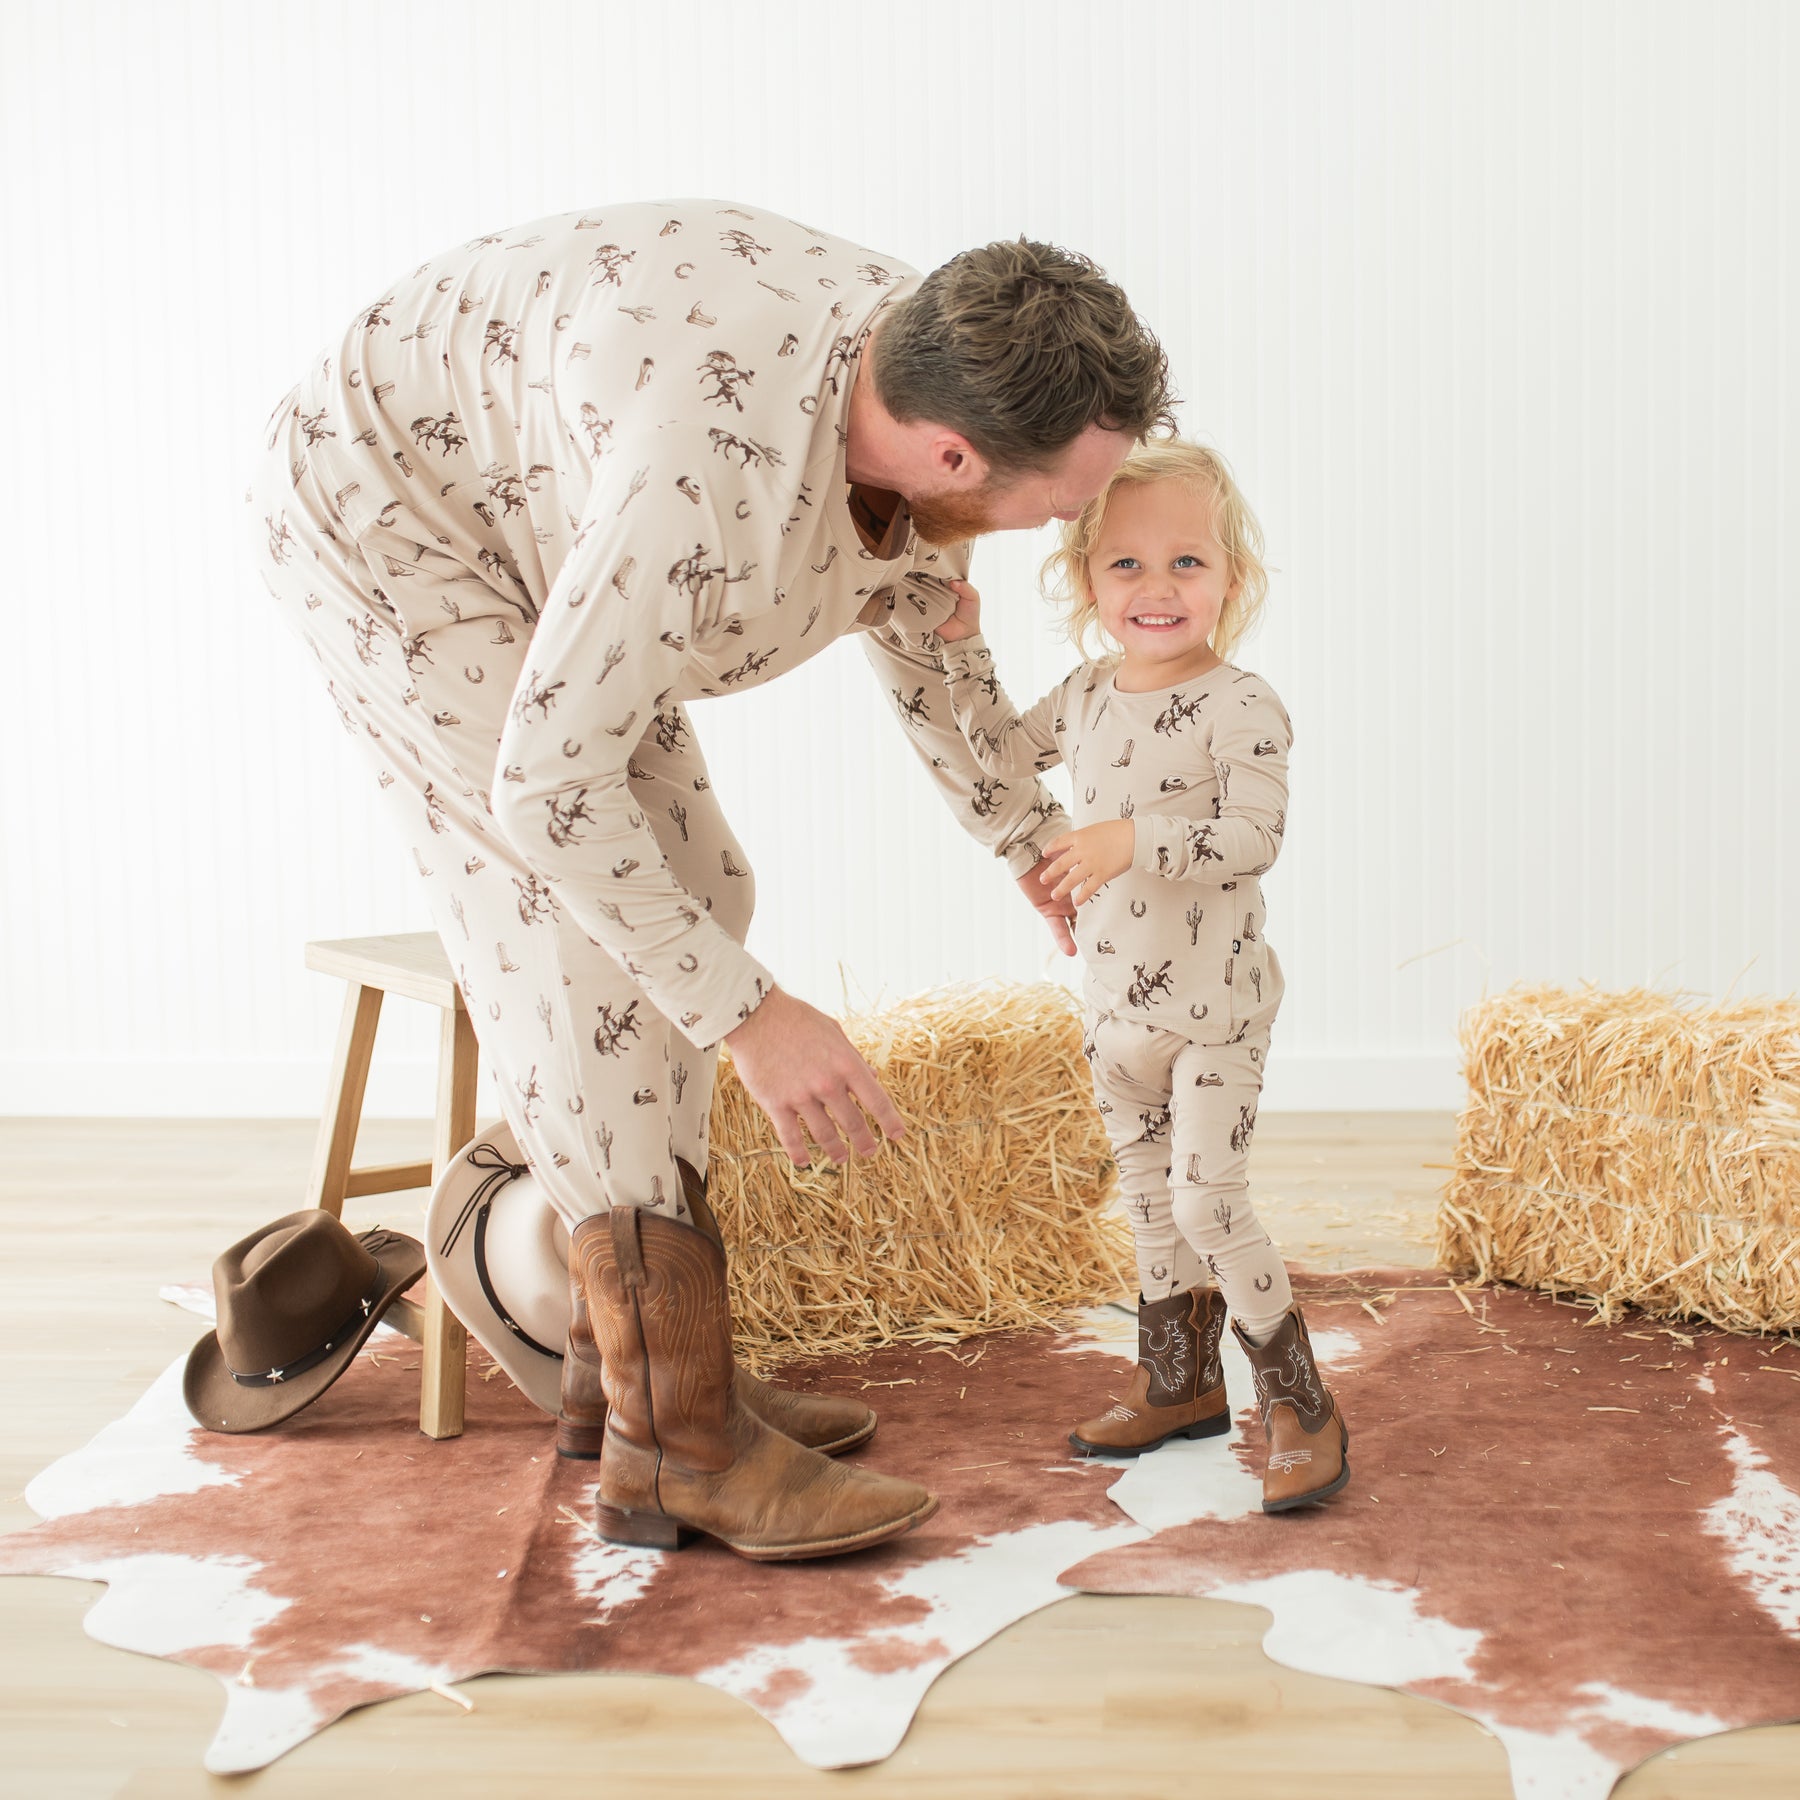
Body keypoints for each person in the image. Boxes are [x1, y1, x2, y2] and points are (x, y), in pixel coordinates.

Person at [248, 198, 1175, 1559]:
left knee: (704, 884)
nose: (1076, 524)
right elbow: (549, 792)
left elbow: (916, 612)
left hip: (548, 459)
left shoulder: (938, 358)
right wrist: (754, 1019)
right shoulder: (704, 492)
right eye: (1072, 498)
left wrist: (1025, 834)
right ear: (953, 451)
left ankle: (618, 1371)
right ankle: (671, 1446)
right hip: (392, 504)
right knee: (589, 950)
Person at [932, 441, 1349, 1513]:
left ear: (1232, 581)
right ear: (1084, 582)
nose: (1157, 589)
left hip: (1215, 1013)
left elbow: (1254, 835)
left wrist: (1131, 839)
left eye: (1186, 564)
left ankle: (1301, 1406)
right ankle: (1179, 1384)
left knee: (1212, 1202)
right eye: (1126, 566)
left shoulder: (1240, 705)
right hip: (1115, 1010)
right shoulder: (1081, 694)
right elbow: (997, 755)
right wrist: (966, 651)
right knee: (1151, 1206)